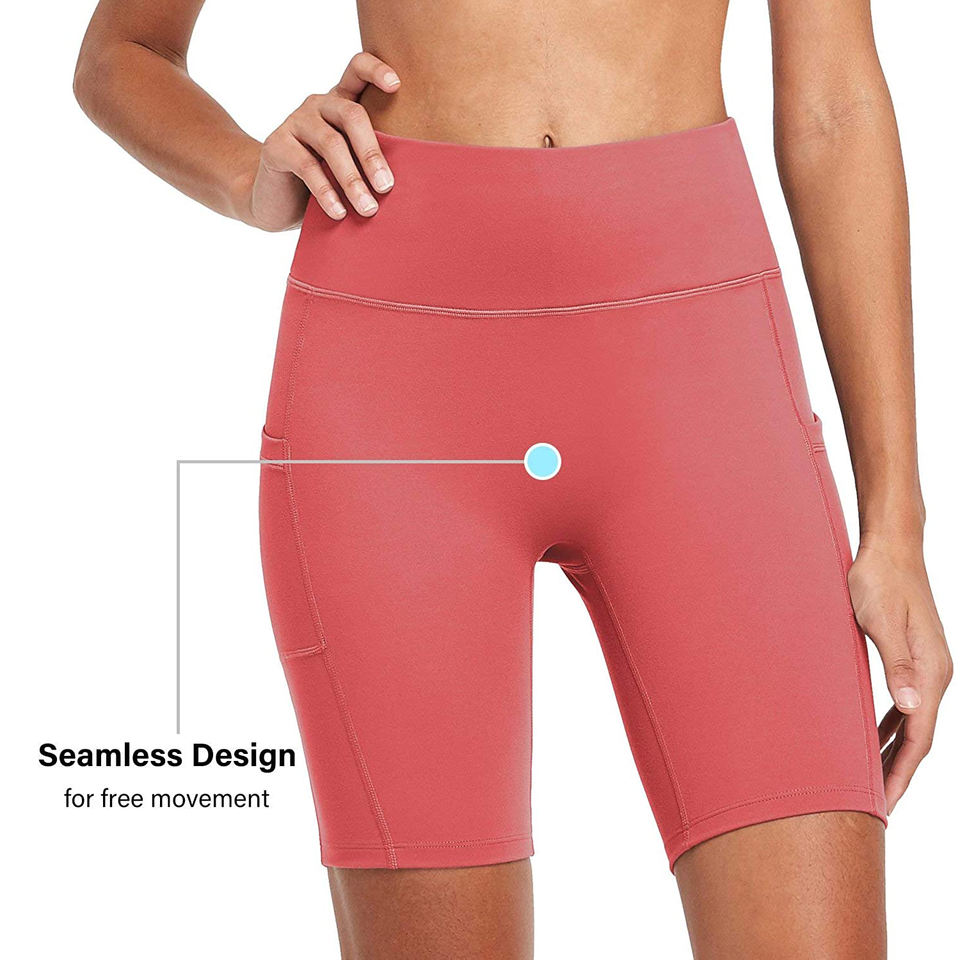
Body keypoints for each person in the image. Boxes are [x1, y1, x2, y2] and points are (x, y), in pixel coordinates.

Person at [74, 2, 951, 957]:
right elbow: (123, 52)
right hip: (396, 395)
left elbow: (834, 107)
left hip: (700, 377)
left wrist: (896, 527)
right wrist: (247, 174)